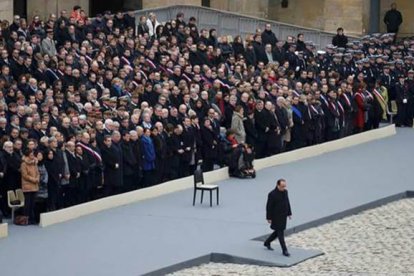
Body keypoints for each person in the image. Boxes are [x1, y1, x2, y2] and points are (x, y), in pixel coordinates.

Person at [264, 178, 292, 257]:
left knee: (278, 231)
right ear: (278, 185)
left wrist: (289, 213)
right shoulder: (272, 194)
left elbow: (287, 202)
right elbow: (268, 207)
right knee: (280, 233)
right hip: (276, 216)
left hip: (283, 216)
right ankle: (284, 250)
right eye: (282, 186)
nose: (284, 188)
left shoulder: (285, 192)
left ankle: (267, 242)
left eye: (285, 186)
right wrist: (268, 217)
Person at [21, 149, 40, 224]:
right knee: (27, 204)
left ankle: (32, 219)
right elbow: (25, 175)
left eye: (33, 155)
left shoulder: (34, 163)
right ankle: (26, 219)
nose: (33, 156)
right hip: (27, 186)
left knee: (33, 204)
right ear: (27, 155)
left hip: (34, 185)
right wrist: (34, 179)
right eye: (31, 154)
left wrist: (37, 178)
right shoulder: (23, 164)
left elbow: (37, 172)